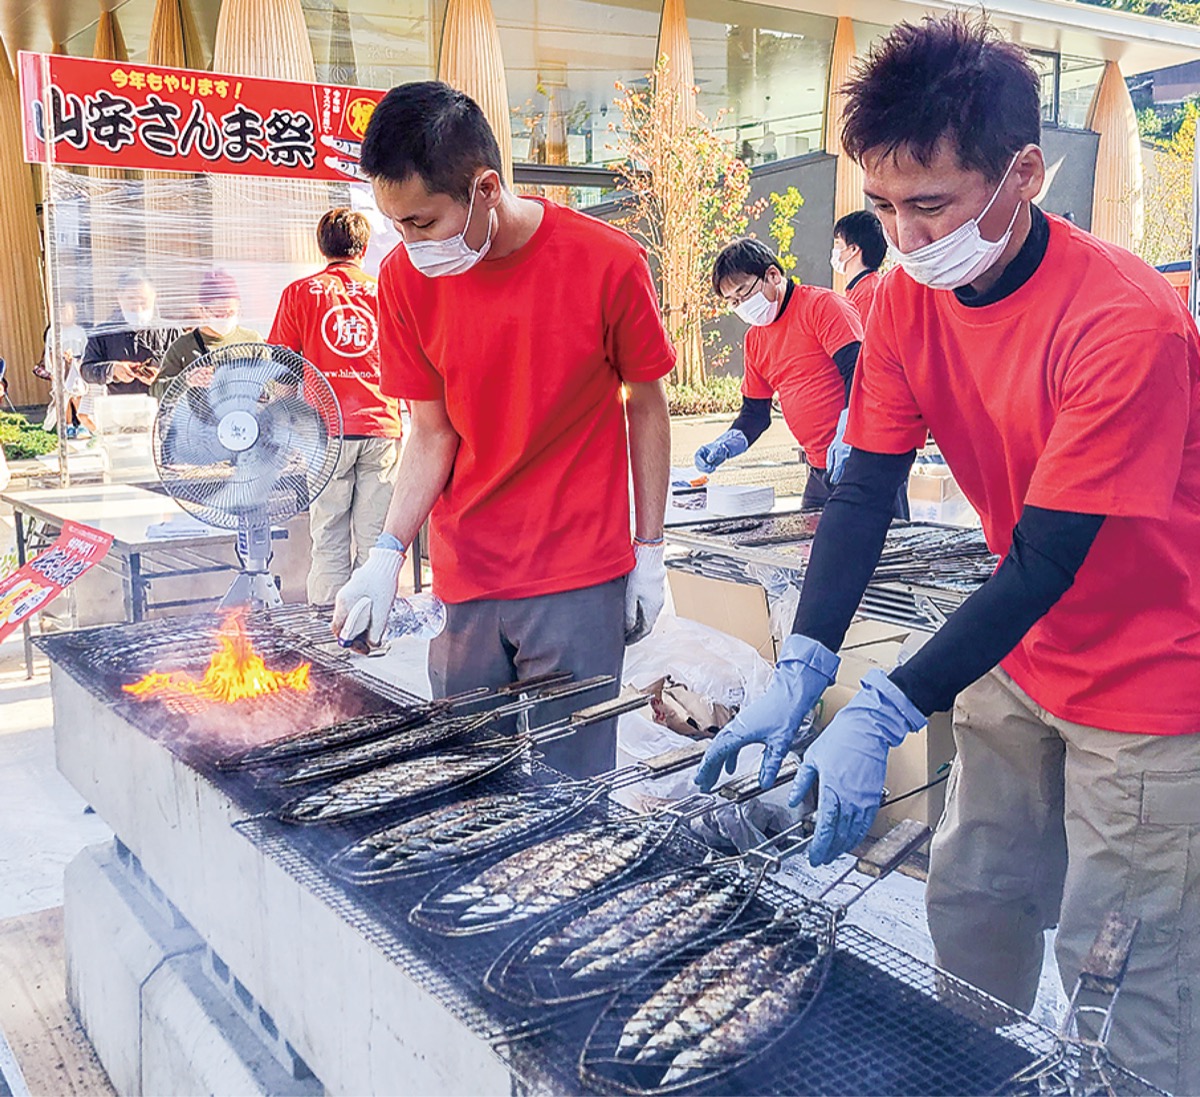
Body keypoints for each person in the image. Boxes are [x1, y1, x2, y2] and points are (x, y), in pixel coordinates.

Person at [694, 15, 1200, 1094]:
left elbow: (1050, 558)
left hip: (1155, 670)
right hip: (1024, 650)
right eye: (883, 207)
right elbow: (867, 485)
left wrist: (889, 706)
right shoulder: (908, 305)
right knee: (974, 902)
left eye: (932, 205)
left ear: (1027, 171)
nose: (908, 239)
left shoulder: (1124, 319)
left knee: (1120, 967)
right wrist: (807, 658)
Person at [331, 82, 674, 779]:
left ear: (485, 187)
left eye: (422, 222)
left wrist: (651, 549)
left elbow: (646, 405)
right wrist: (386, 553)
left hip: (577, 573)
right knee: (467, 782)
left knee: (570, 787)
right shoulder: (402, 280)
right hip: (468, 575)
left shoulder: (607, 262)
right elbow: (430, 431)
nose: (407, 241)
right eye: (395, 223)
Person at [269, 209, 404, 608]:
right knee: (376, 534)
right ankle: (368, 624)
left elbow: (282, 368)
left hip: (323, 430)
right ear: (364, 248)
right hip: (381, 425)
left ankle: (328, 625)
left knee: (328, 531)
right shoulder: (386, 292)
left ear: (321, 246)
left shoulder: (300, 293)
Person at [694, 238, 864, 509]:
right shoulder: (755, 340)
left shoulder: (822, 307)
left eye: (744, 293)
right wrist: (727, 443)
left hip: (865, 459)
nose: (742, 306)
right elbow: (755, 414)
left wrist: (850, 432)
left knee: (879, 548)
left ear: (772, 275)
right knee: (811, 546)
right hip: (820, 467)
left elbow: (859, 372)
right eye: (733, 302)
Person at [154, 269, 262, 397]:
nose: (226, 318)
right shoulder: (182, 348)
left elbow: (274, 384)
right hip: (197, 417)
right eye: (219, 314)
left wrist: (255, 386)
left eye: (231, 313)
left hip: (249, 416)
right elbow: (156, 392)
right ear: (202, 310)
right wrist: (186, 380)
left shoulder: (252, 341)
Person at [81, 270, 182, 397]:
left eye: (143, 302)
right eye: (131, 301)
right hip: (121, 408)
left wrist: (162, 377)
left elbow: (187, 370)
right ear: (119, 297)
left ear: (155, 296)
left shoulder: (170, 330)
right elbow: (86, 370)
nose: (138, 309)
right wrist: (112, 370)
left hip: (163, 408)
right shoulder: (104, 333)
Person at [831, 209, 888, 321]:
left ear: (853, 249)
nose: (835, 249)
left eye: (838, 243)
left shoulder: (868, 294)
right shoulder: (862, 288)